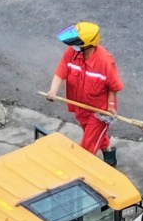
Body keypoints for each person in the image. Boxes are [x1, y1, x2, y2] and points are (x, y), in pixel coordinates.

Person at [45, 23, 123, 166]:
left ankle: (82, 171)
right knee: (91, 133)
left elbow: (114, 86)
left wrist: (111, 106)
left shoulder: (105, 61)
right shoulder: (72, 52)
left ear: (87, 44)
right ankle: (109, 152)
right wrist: (53, 90)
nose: (73, 46)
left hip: (100, 112)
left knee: (88, 146)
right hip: (80, 107)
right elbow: (61, 70)